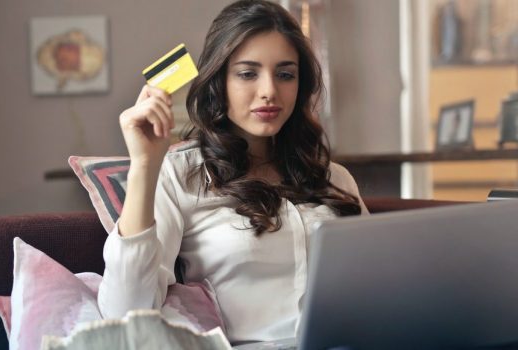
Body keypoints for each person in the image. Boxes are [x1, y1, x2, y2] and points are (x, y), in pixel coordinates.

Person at [98, 0, 368, 344]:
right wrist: (144, 167)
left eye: (285, 74)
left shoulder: (334, 178)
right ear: (219, 81)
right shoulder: (182, 177)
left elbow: (379, 286)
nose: (269, 90)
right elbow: (125, 314)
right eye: (247, 73)